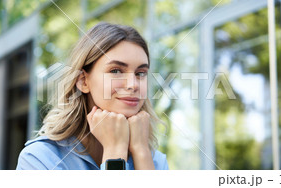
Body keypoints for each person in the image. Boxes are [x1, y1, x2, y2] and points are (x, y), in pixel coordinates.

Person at [16, 22, 169, 170]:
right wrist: (114, 151)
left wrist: (141, 152)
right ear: (83, 81)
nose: (133, 85)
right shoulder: (40, 159)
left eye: (140, 73)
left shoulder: (154, 161)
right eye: (116, 71)